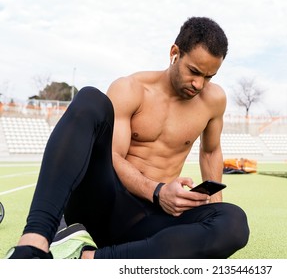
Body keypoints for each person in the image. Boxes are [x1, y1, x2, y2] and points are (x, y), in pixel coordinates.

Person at [5, 16, 249, 259]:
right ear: (175, 53)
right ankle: (34, 243)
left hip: (152, 220)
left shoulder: (213, 101)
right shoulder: (131, 89)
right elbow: (113, 156)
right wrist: (157, 191)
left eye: (208, 77)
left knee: (233, 222)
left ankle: (91, 259)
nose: (198, 84)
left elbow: (210, 151)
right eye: (194, 71)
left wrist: (213, 203)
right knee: (90, 98)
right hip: (107, 206)